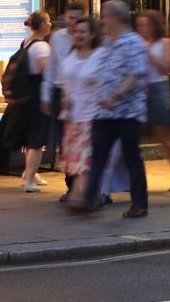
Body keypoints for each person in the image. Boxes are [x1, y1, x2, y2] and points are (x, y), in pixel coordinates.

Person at [77, 0, 149, 218]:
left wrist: (115, 95)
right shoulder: (107, 42)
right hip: (104, 112)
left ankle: (139, 204)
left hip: (128, 112)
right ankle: (88, 201)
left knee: (131, 157)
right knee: (97, 155)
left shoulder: (133, 43)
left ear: (116, 18)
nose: (102, 20)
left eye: (105, 15)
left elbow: (135, 75)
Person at [0, 12, 51, 192]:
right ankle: (29, 180)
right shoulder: (42, 47)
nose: (51, 24)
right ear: (42, 24)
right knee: (36, 138)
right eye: (49, 21)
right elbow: (47, 72)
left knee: (31, 135)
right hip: (37, 96)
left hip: (25, 97)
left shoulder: (26, 42)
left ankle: (31, 172)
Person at [135, 10, 170, 193]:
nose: (142, 28)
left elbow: (167, 68)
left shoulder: (164, 42)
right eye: (139, 25)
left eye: (146, 24)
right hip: (139, 88)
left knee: (163, 135)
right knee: (134, 133)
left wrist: (149, 54)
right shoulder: (136, 42)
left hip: (157, 87)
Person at [41, 1, 85, 201]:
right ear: (65, 18)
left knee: (83, 142)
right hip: (61, 92)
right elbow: (51, 67)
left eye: (77, 18)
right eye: (70, 18)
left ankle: (91, 187)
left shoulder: (89, 37)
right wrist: (46, 94)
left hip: (82, 95)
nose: (74, 23)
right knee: (64, 142)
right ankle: (72, 186)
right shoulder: (58, 38)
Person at [59, 17, 102, 208]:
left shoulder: (99, 56)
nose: (79, 35)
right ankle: (94, 194)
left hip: (92, 115)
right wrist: (65, 99)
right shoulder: (70, 57)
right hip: (73, 116)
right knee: (75, 157)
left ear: (92, 34)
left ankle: (80, 193)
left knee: (85, 157)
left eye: (83, 31)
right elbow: (65, 83)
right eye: (76, 31)